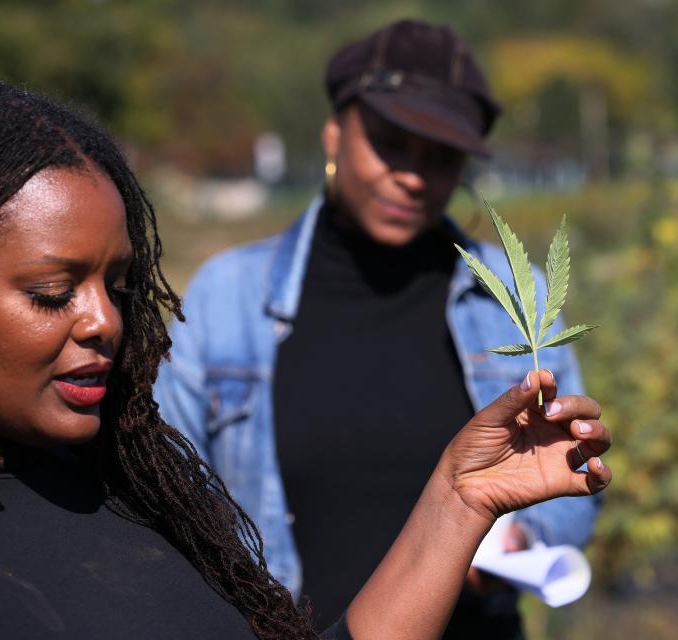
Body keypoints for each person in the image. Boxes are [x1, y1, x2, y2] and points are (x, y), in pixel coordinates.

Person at [0, 83, 611, 640]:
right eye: (54, 293)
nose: (105, 322)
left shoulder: (126, 487)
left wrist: (459, 500)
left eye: (120, 287)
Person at [154, 19, 602, 636]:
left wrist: (526, 535)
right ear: (336, 133)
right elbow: (164, 491)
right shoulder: (227, 296)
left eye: (441, 156)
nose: (414, 175)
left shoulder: (511, 296)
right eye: (392, 142)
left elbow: (572, 480)